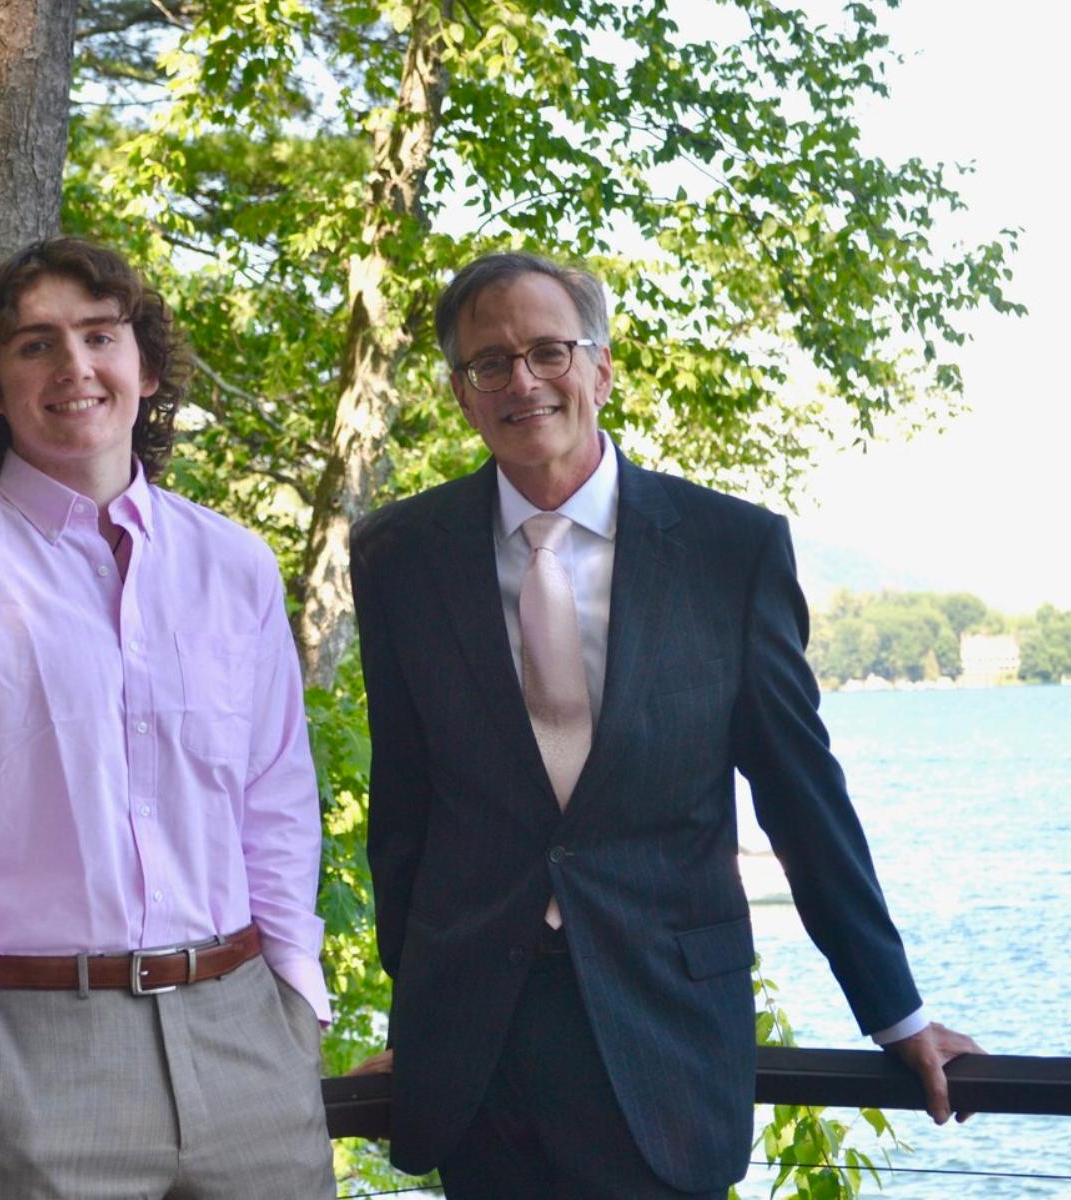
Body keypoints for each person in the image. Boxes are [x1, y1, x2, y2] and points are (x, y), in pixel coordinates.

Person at [347, 251, 982, 1199]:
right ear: (461, 395)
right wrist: (420, 1029)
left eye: (548, 351)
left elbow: (802, 798)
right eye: (490, 364)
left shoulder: (732, 550)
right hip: (479, 1050)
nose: (522, 380)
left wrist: (895, 1014)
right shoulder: (398, 555)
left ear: (600, 369)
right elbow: (405, 814)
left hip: (663, 1035)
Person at [0, 237, 335, 1199]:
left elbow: (275, 793)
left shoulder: (233, 565)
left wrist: (295, 993)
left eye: (99, 336)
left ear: (145, 369)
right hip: (35, 1049)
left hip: (245, 1033)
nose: (73, 366)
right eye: (34, 345)